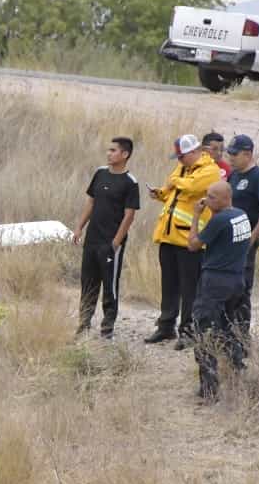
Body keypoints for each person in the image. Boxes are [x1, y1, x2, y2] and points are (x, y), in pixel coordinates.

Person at [146, 133, 221, 347]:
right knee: (169, 285)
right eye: (178, 157)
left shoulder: (210, 170)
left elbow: (191, 188)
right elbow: (174, 191)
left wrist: (174, 181)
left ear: (195, 152)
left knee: (190, 289)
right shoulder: (183, 169)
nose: (179, 161)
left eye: (182, 156)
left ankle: (188, 332)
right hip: (168, 236)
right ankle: (166, 327)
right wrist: (160, 193)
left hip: (191, 241)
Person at [187, 181, 252, 402]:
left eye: (212, 197)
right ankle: (237, 373)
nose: (207, 200)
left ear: (227, 198)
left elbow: (193, 245)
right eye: (207, 195)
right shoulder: (241, 215)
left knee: (204, 333)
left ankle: (208, 389)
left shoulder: (220, 220)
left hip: (215, 282)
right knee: (227, 330)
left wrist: (196, 216)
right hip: (236, 280)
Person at [71, 137, 141, 338]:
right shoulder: (100, 174)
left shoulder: (130, 183)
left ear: (125, 154)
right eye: (108, 150)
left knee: (110, 285)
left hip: (110, 243)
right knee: (88, 282)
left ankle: (107, 327)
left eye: (113, 150)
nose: (109, 153)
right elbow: (91, 202)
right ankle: (84, 323)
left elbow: (129, 215)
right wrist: (79, 227)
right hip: (92, 240)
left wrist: (116, 243)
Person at [224, 134, 259, 369]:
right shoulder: (233, 175)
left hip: (244, 244)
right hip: (227, 242)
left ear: (247, 153)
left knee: (241, 292)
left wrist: (252, 237)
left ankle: (242, 343)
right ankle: (226, 339)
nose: (230, 158)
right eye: (229, 154)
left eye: (234, 154)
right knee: (226, 292)